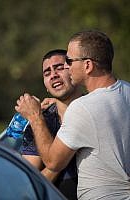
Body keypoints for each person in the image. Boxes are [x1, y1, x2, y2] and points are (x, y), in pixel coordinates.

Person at [15, 30, 130, 199]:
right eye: (47, 73)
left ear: (88, 66)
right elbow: (26, 182)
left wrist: (34, 116)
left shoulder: (82, 108)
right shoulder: (126, 90)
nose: (65, 68)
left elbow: (53, 161)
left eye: (67, 62)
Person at [20, 49, 82, 199]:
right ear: (46, 86)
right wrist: (62, 155)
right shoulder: (39, 122)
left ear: (73, 71)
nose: (53, 75)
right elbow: (29, 185)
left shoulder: (98, 107)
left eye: (59, 68)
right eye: (47, 73)